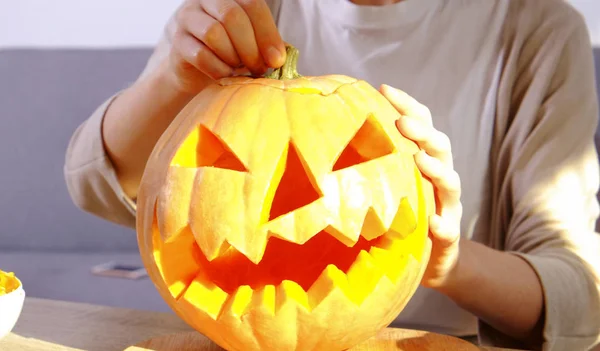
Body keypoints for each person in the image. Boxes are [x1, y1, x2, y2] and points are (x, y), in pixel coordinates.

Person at [63, 0, 600, 350]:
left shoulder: (536, 31)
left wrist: (447, 263)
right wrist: (171, 78)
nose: (287, 212)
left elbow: (581, 294)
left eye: (352, 159)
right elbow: (99, 186)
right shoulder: (248, 10)